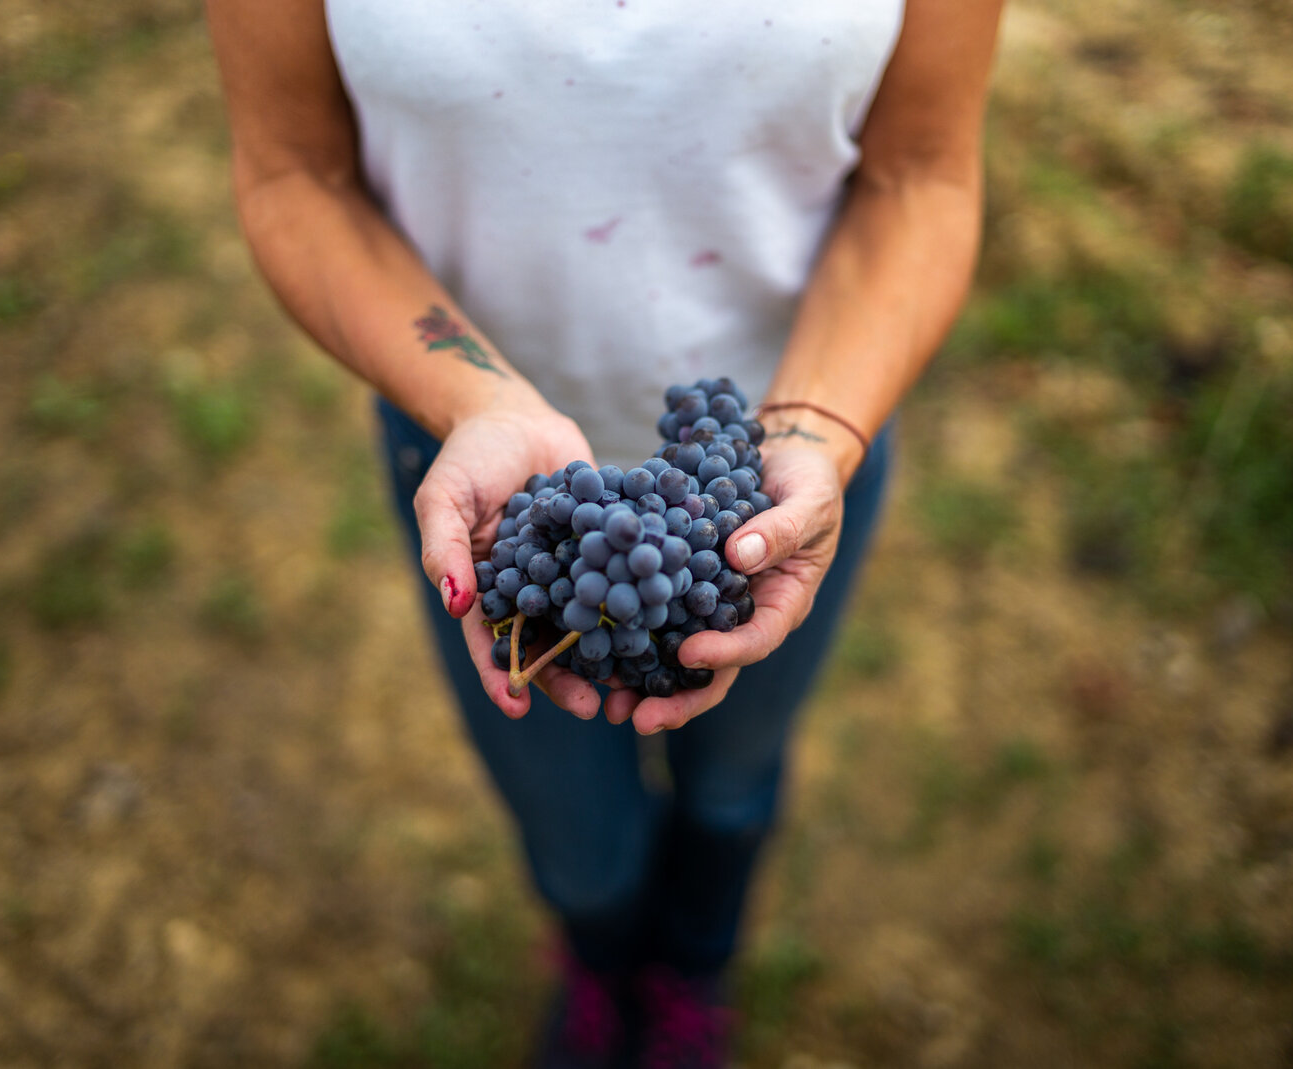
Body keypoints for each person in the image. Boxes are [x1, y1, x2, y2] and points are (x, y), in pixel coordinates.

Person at [205, 2, 1003, 1065]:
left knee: (731, 783)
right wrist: (476, 402)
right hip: (492, 491)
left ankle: (689, 972)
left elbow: (921, 175)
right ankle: (600, 959)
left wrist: (819, 430)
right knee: (577, 844)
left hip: (778, 479)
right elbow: (294, 172)